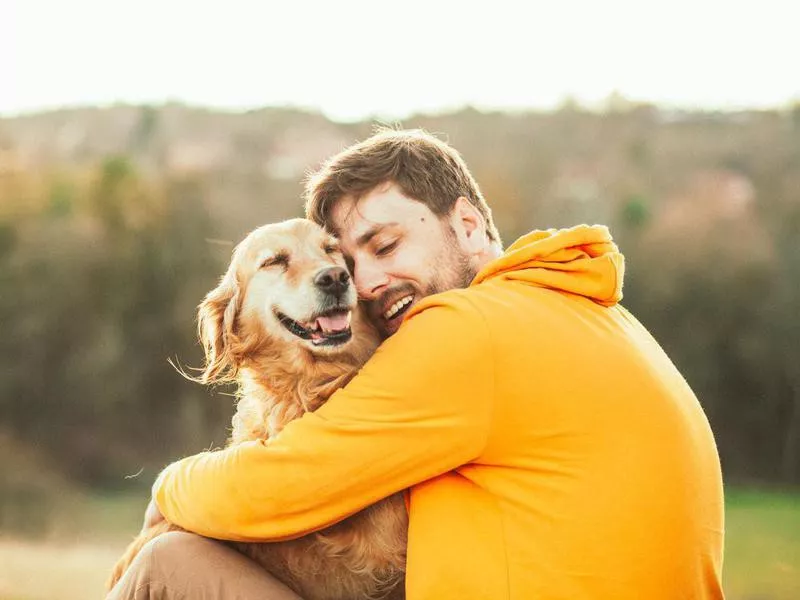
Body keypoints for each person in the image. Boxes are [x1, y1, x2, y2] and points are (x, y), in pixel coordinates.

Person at [108, 129, 725, 599]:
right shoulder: (586, 311)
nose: (365, 281)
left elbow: (280, 488)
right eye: (353, 261)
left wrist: (168, 486)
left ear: (467, 222)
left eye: (386, 245)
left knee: (164, 564)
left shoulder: (468, 328)